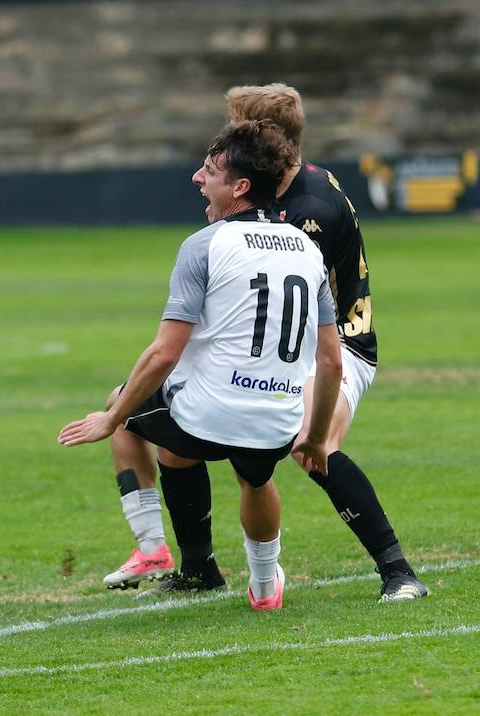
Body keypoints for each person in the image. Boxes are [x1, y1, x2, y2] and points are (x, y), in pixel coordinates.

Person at [100, 84, 428, 603]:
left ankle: (397, 569)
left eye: (238, 128)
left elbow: (278, 311)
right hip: (289, 339)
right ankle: (200, 569)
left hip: (338, 342)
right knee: (178, 434)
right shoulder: (282, 190)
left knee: (310, 446)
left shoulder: (305, 214)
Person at [60, 119, 342, 611]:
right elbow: (332, 361)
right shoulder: (307, 250)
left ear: (239, 187)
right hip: (278, 418)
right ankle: (262, 584)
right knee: (255, 477)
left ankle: (151, 548)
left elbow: (163, 353)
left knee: (122, 406)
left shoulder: (204, 244)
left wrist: (110, 418)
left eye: (208, 171)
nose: (196, 178)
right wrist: (316, 438)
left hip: (205, 418)